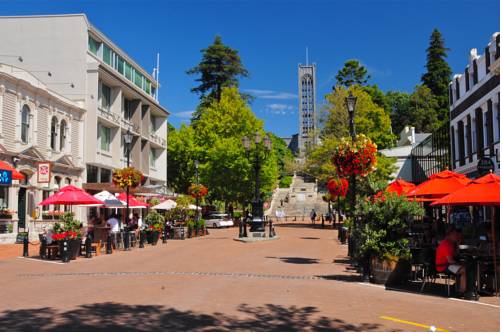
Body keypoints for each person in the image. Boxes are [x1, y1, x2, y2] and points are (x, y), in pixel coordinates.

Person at [435, 227, 466, 296]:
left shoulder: (451, 243)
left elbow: (456, 254)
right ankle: (462, 291)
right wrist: (460, 264)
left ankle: (461, 286)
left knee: (465, 267)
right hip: (443, 266)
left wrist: (457, 244)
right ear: (450, 234)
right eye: (455, 235)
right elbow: (450, 261)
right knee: (464, 270)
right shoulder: (446, 244)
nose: (457, 236)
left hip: (448, 264)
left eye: (458, 235)